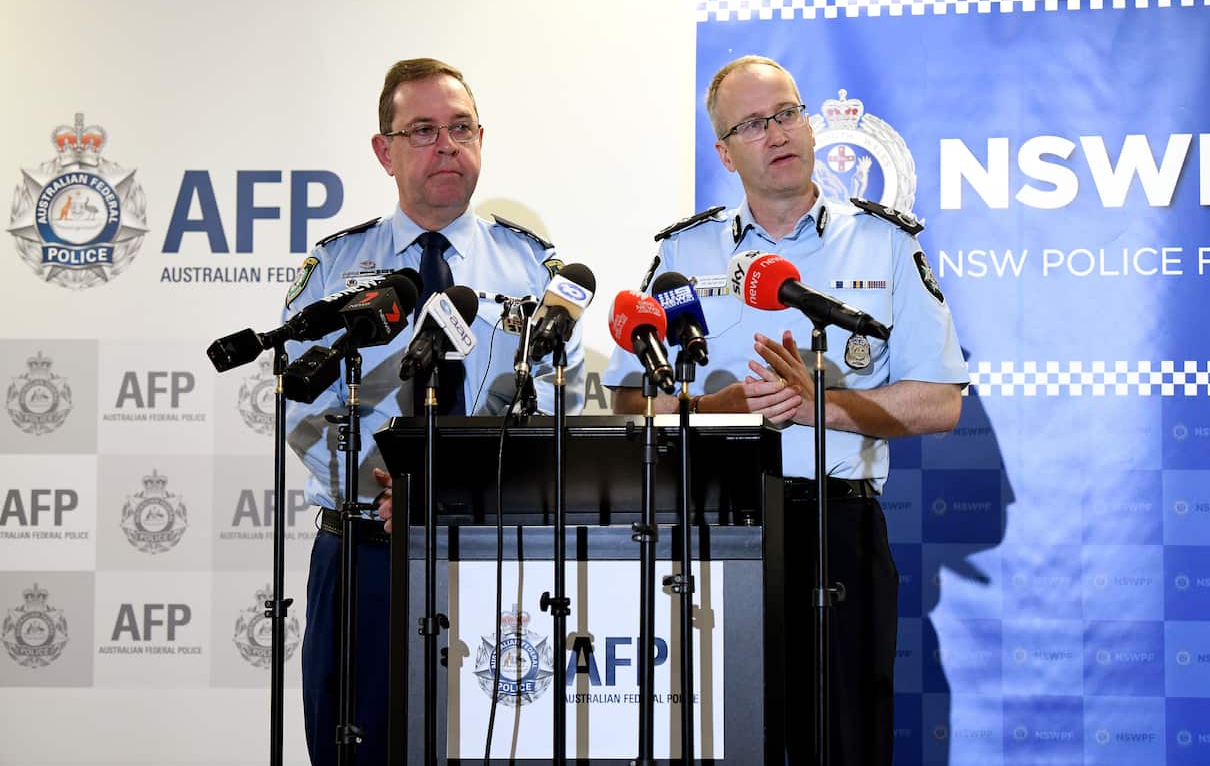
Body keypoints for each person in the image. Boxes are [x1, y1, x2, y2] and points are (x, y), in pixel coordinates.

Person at [601, 55, 968, 765]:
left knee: (844, 742)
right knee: (724, 742)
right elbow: (628, 402)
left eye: (789, 113)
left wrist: (818, 406)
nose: (778, 133)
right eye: (755, 122)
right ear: (725, 149)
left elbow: (941, 402)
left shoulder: (884, 242)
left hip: (841, 528)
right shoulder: (684, 252)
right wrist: (719, 409)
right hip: (714, 531)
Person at [283, 57, 584, 766]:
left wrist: (453, 491)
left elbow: (545, 407)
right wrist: (386, 486)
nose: (446, 145)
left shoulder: (532, 267)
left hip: (488, 553)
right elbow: (307, 404)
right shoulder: (335, 266)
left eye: (460, 128)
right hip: (365, 555)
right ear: (384, 151)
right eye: (422, 130)